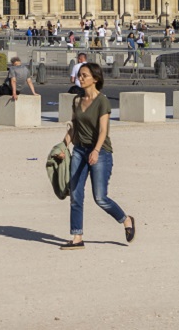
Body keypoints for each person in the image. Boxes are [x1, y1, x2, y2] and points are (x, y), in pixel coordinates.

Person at [54, 62, 135, 250]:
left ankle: (126, 220)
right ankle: (77, 237)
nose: (80, 78)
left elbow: (103, 131)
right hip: (80, 151)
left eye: (84, 75)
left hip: (101, 152)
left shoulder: (102, 101)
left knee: (100, 198)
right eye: (80, 75)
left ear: (95, 79)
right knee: (75, 194)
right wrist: (63, 146)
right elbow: (74, 127)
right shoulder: (77, 100)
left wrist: (96, 151)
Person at [0, 57, 33, 122]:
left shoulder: (12, 68)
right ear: (20, 62)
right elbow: (29, 81)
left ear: (13, 63)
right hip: (18, 91)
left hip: (7, 89)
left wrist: (13, 93)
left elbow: (13, 81)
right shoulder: (26, 69)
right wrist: (34, 92)